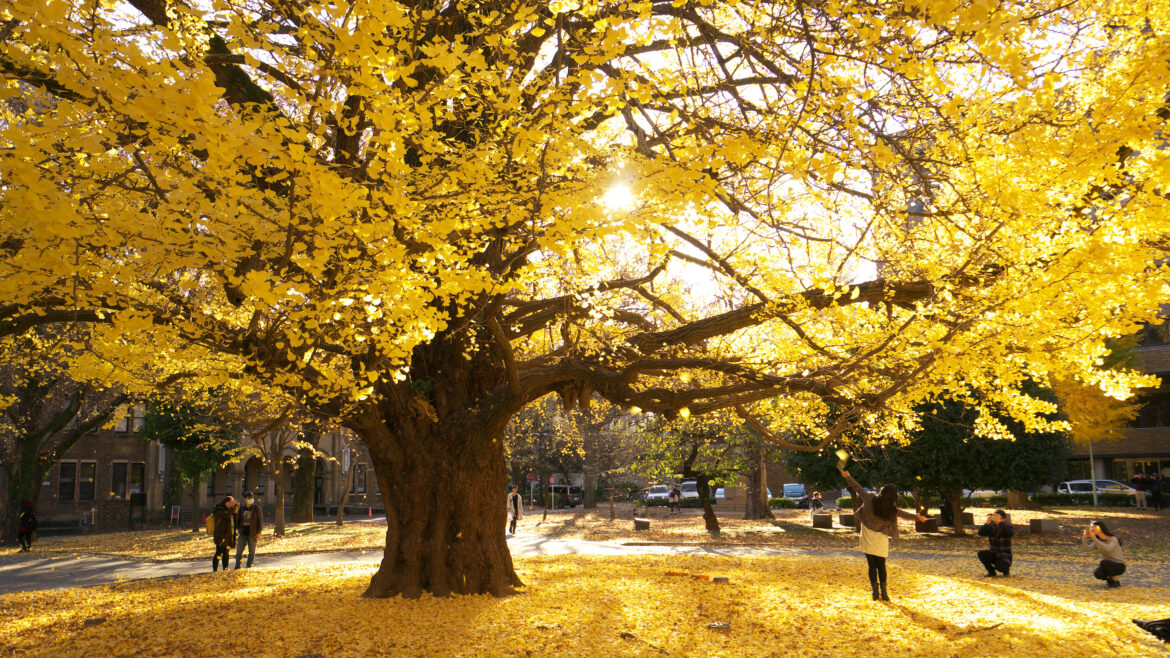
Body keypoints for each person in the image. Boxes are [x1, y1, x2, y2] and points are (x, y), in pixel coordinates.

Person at [839, 468, 927, 601]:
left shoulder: (870, 499)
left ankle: (875, 593)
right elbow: (902, 514)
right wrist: (916, 517)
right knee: (881, 565)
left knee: (872, 565)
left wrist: (848, 477)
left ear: (882, 491)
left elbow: (858, 489)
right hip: (881, 537)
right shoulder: (891, 508)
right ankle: (884, 594)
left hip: (868, 535)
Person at [1083, 520, 1125, 588]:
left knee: (1104, 563)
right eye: (1090, 528)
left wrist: (1094, 538)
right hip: (1108, 565)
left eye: (1093, 527)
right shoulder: (1098, 541)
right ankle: (1110, 580)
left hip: (1119, 565)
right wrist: (1084, 538)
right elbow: (1086, 549)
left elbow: (1108, 548)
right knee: (1097, 573)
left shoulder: (1113, 539)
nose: (1091, 529)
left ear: (1100, 528)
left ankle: (1116, 581)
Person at [977, 510, 1014, 577]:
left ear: (1004, 519)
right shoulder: (991, 527)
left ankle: (1006, 572)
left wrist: (1000, 523)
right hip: (993, 553)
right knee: (981, 553)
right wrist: (987, 523)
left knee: (1000, 566)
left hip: (1004, 556)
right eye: (994, 517)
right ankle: (991, 572)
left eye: (998, 517)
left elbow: (1010, 533)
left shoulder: (1007, 527)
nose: (995, 519)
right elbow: (980, 533)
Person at [234, 491, 263, 569]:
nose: (250, 499)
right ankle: (237, 566)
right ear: (245, 499)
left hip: (252, 532)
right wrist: (238, 528)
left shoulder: (257, 508)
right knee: (239, 550)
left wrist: (259, 532)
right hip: (243, 532)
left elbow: (260, 521)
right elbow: (238, 519)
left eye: (251, 498)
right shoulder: (242, 508)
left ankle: (249, 565)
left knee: (252, 550)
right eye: (248, 498)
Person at [211, 496, 236, 572]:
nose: (231, 504)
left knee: (226, 552)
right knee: (219, 552)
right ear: (226, 502)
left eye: (232, 503)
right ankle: (215, 569)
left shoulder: (228, 510)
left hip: (227, 535)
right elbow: (226, 515)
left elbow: (233, 517)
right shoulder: (218, 509)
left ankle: (225, 568)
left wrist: (236, 508)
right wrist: (232, 508)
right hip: (220, 535)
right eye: (230, 503)